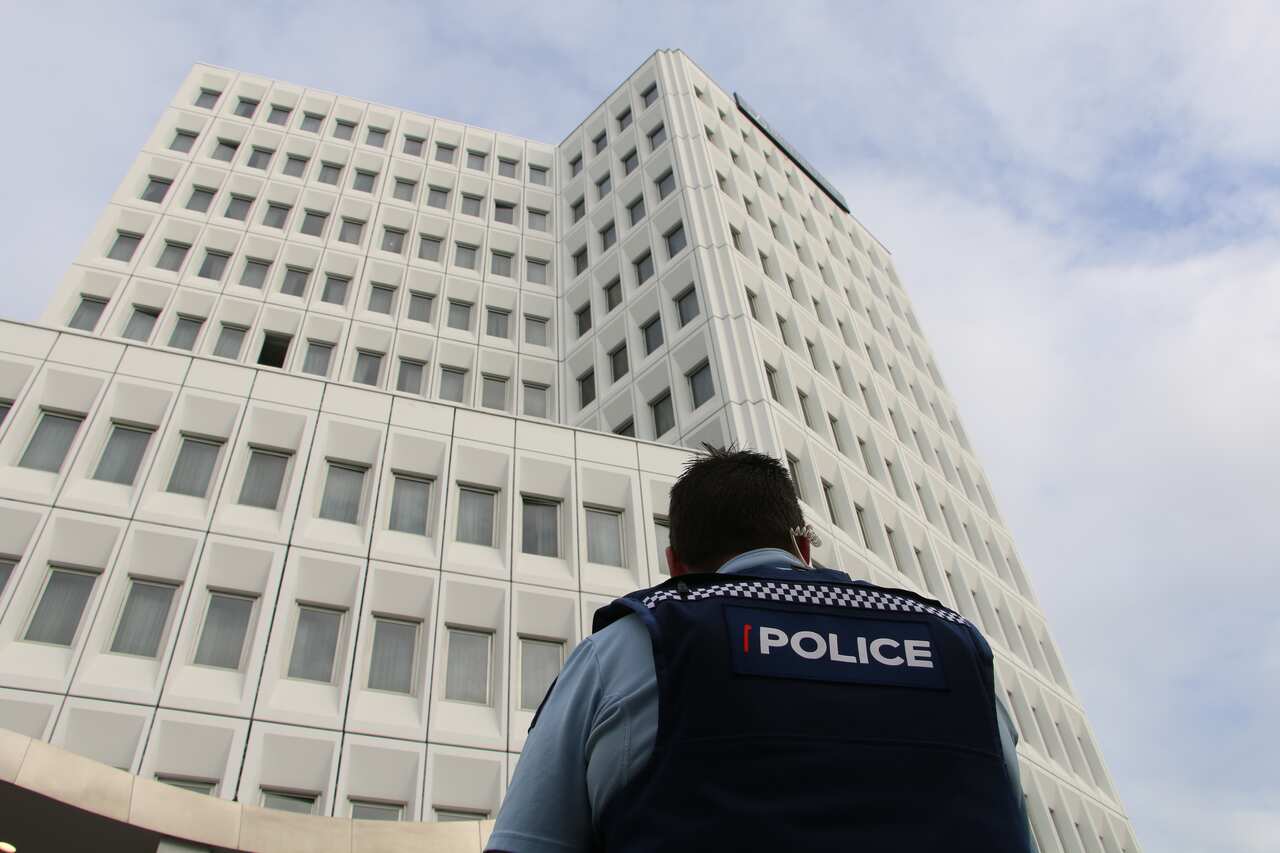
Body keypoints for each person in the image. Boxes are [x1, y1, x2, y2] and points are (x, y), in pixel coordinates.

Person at [486, 447, 1035, 852]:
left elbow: (526, 844)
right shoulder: (958, 648)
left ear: (677, 565)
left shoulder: (631, 647)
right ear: (802, 548)